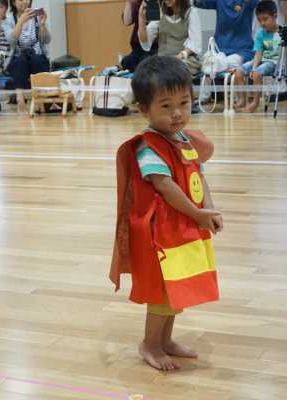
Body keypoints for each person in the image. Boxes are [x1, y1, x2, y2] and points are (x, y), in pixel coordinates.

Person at [109, 56, 222, 371]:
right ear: (144, 109)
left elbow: (197, 174)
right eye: (166, 106)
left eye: (184, 103)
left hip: (183, 226)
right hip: (161, 234)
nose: (177, 113)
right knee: (162, 294)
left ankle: (166, 340)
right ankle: (150, 343)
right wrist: (197, 214)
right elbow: (165, 186)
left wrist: (208, 208)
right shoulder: (150, 148)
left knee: (178, 287)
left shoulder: (184, 139)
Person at [234, 0, 282, 113]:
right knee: (239, 71)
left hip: (275, 62)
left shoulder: (282, 33)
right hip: (262, 60)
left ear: (275, 16)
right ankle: (242, 100)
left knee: (256, 73)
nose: (262, 23)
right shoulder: (260, 33)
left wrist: (255, 71)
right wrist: (254, 67)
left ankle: (255, 102)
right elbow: (258, 53)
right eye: (259, 20)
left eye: (265, 19)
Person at [7, 0, 51, 112]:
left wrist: (42, 24)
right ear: (13, 2)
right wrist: (20, 22)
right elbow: (11, 42)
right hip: (18, 57)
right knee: (20, 61)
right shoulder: (9, 19)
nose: (25, 2)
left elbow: (46, 40)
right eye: (20, 0)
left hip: (36, 55)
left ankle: (38, 99)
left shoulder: (36, 16)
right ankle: (20, 98)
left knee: (37, 59)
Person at [138, 0, 202, 76]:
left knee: (172, 71)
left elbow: (195, 44)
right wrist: (141, 17)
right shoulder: (161, 12)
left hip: (184, 60)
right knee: (144, 70)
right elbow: (145, 41)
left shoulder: (191, 12)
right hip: (163, 60)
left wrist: (178, 57)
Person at [194, 0, 259, 68]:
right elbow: (199, 2)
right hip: (219, 50)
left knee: (229, 62)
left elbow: (258, 5)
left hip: (243, 51)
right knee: (207, 65)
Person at [120, 0, 157, 72]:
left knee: (144, 64)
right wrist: (129, 2)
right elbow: (127, 21)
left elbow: (152, 33)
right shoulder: (137, 2)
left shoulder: (154, 3)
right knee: (126, 62)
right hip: (138, 48)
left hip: (153, 48)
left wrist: (142, 15)